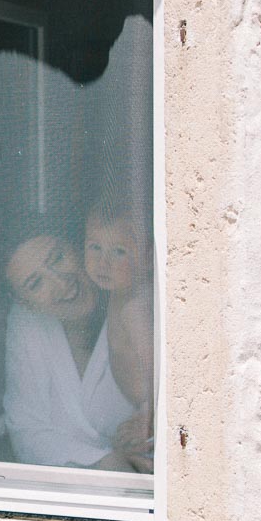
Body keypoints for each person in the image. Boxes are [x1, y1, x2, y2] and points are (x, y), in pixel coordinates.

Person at [3, 230, 150, 471]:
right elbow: (26, 430)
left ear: (77, 247)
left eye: (58, 258)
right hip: (80, 492)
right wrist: (107, 463)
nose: (61, 283)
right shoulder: (26, 320)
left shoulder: (133, 300)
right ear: (25, 301)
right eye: (36, 283)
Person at [84, 202, 154, 472]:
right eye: (95, 247)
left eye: (119, 252)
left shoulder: (134, 308)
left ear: (147, 259)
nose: (103, 263)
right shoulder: (119, 293)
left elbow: (154, 369)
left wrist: (148, 415)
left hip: (148, 415)